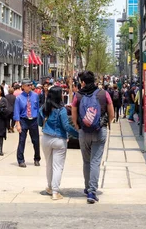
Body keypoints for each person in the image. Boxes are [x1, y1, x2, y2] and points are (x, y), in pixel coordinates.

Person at [71, 71, 114, 204]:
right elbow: (111, 114)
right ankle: (92, 191)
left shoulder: (77, 95)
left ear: (82, 82)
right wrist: (105, 124)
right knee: (95, 162)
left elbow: (73, 116)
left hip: (84, 132)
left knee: (86, 161)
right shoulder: (103, 94)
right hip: (99, 131)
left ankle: (87, 187)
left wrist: (78, 127)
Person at [39, 86, 78, 200]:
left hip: (46, 138)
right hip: (59, 139)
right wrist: (77, 134)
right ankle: (55, 191)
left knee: (49, 164)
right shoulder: (62, 110)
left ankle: (50, 187)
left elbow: (39, 123)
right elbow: (66, 126)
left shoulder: (44, 108)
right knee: (58, 166)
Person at [13, 79, 41, 168]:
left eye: (30, 85)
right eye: (28, 85)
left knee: (36, 140)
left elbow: (37, 108)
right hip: (23, 120)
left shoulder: (36, 96)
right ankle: (20, 160)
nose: (30, 87)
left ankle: (37, 158)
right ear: (23, 86)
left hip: (33, 120)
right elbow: (16, 111)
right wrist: (17, 124)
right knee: (22, 140)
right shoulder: (19, 98)